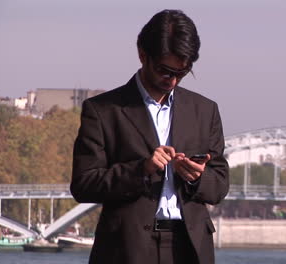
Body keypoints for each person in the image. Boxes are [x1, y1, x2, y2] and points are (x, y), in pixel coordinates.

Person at [70, 9, 229, 264]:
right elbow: (83, 185)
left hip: (190, 248)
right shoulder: (102, 111)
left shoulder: (205, 111)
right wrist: (141, 169)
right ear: (142, 54)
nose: (173, 80)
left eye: (183, 72)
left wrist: (197, 178)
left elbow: (220, 185)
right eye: (165, 71)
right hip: (126, 248)